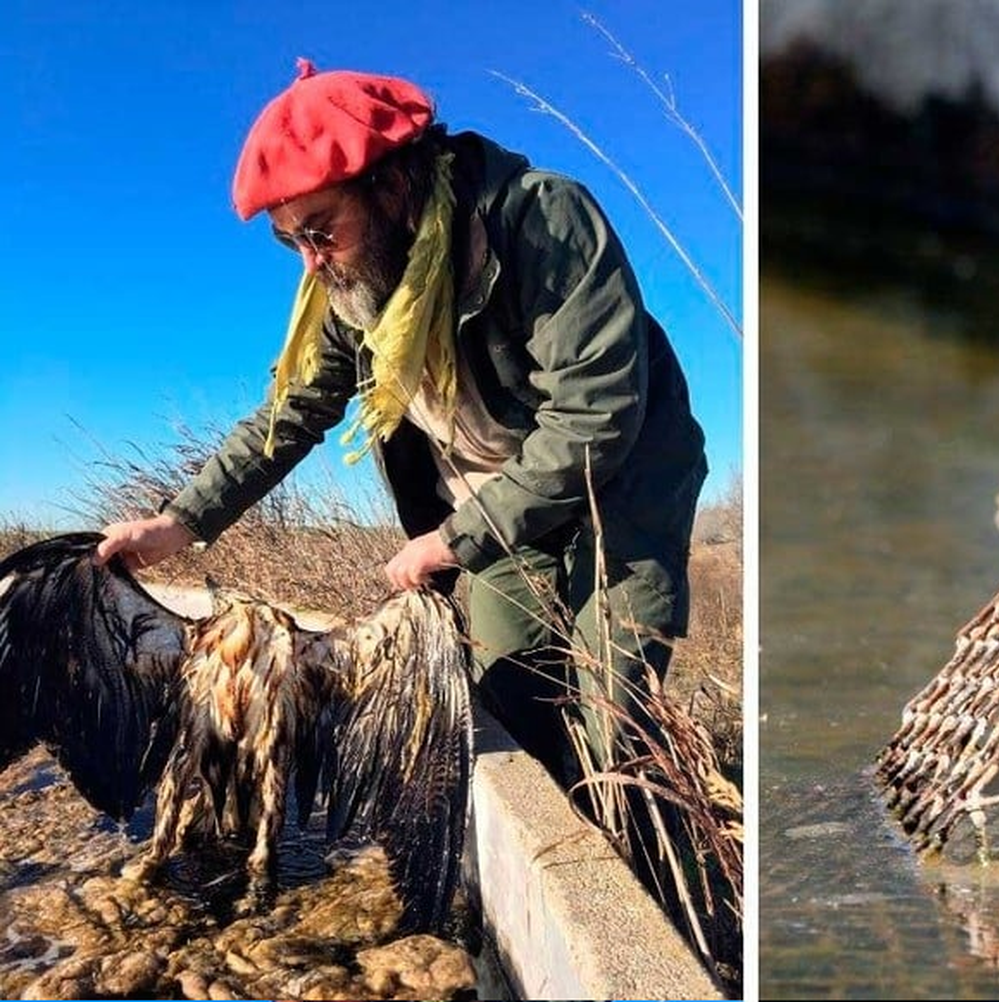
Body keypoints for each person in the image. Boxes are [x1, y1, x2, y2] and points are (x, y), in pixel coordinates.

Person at [95, 60, 708, 790]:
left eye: (322, 231)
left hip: (619, 486)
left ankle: (652, 864)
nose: (313, 262)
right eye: (292, 243)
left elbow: (594, 417)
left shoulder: (541, 220)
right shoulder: (350, 287)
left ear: (392, 186)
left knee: (614, 717)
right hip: (495, 504)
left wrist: (452, 541)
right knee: (511, 704)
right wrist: (179, 524)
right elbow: (290, 413)